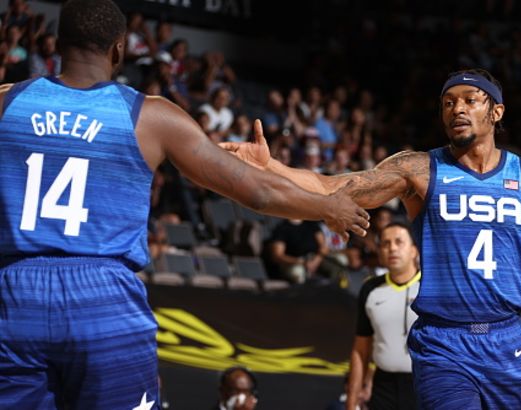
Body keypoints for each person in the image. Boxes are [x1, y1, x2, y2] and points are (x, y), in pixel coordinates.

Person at [0, 1, 369, 409]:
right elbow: (257, 191)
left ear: (57, 43)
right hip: (102, 293)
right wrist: (327, 206)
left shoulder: (7, 102)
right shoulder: (150, 115)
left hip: (14, 293)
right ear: (120, 50)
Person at [222, 68, 521, 409]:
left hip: (508, 341)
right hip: (444, 343)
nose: (457, 109)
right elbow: (335, 186)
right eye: (448, 102)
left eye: (470, 100)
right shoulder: (419, 170)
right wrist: (271, 166)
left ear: (496, 112)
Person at [347, 222, 421, 410]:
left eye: (399, 242)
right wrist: (351, 402)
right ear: (379, 251)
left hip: (425, 384)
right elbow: (361, 350)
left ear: (414, 250)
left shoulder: (432, 287)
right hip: (383, 387)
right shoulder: (370, 289)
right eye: (386, 243)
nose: (392, 248)